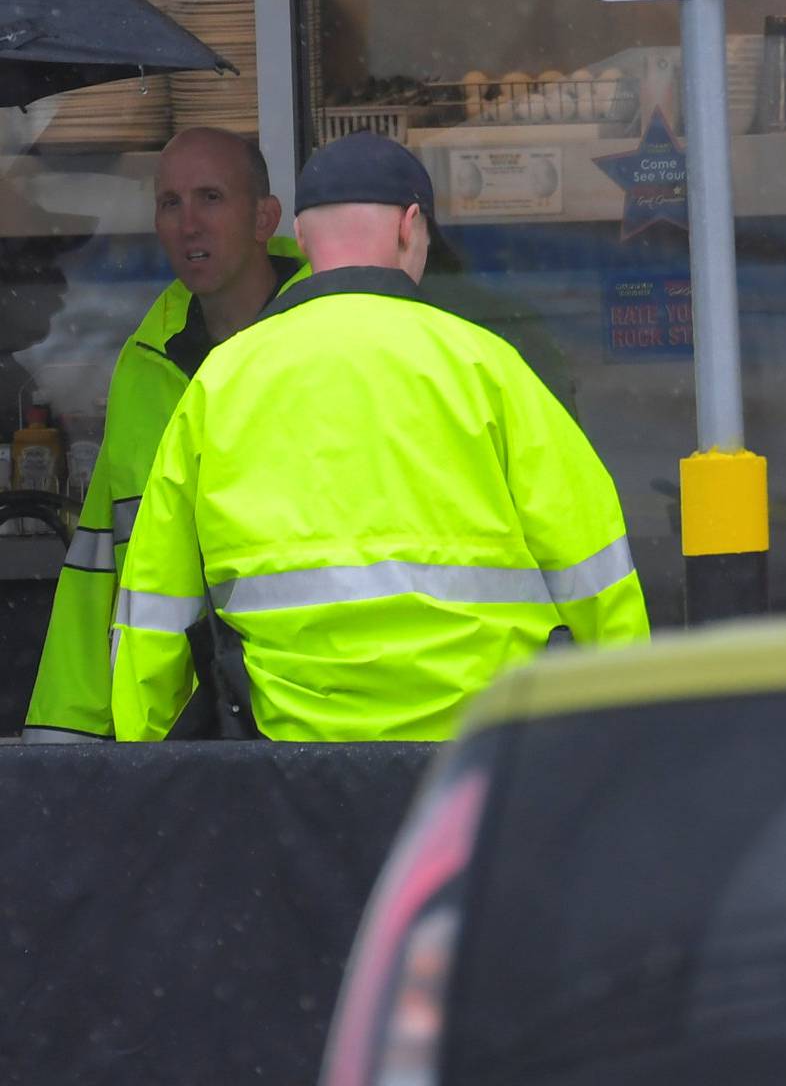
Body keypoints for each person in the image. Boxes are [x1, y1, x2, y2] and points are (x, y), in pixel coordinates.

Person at [110, 132, 648, 744]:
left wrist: (143, 760)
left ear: (305, 240)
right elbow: (596, 573)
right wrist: (623, 735)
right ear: (408, 227)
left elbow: (153, 606)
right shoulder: (487, 367)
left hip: (296, 764)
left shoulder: (221, 381)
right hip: (481, 756)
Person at [24, 129, 304, 741]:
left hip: (314, 715)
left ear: (264, 217)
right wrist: (65, 735)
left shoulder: (327, 346)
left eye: (210, 197)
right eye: (170, 203)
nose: (188, 225)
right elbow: (101, 562)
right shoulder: (145, 363)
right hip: (176, 730)